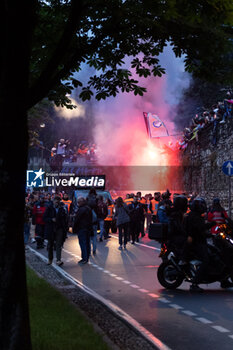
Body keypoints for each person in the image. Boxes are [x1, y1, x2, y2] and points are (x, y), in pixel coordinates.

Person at [185, 198, 216, 292]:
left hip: (199, 240)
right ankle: (194, 283)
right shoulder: (194, 217)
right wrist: (211, 228)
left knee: (214, 252)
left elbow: (201, 228)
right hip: (196, 242)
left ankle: (224, 280)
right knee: (206, 260)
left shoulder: (196, 216)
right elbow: (199, 229)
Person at [43, 196, 68, 266]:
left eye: (58, 201)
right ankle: (50, 259)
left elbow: (65, 219)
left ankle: (58, 259)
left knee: (58, 244)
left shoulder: (62, 209)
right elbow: (44, 218)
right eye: (55, 201)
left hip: (59, 228)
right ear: (53, 201)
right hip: (51, 228)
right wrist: (51, 219)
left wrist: (65, 228)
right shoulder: (49, 208)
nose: (56, 202)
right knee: (50, 244)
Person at [73, 197, 93, 264]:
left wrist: (74, 228)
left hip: (81, 228)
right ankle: (86, 257)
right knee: (87, 243)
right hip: (88, 227)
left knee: (82, 243)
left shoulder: (81, 210)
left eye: (78, 202)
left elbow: (77, 219)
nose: (78, 204)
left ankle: (84, 258)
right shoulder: (88, 208)